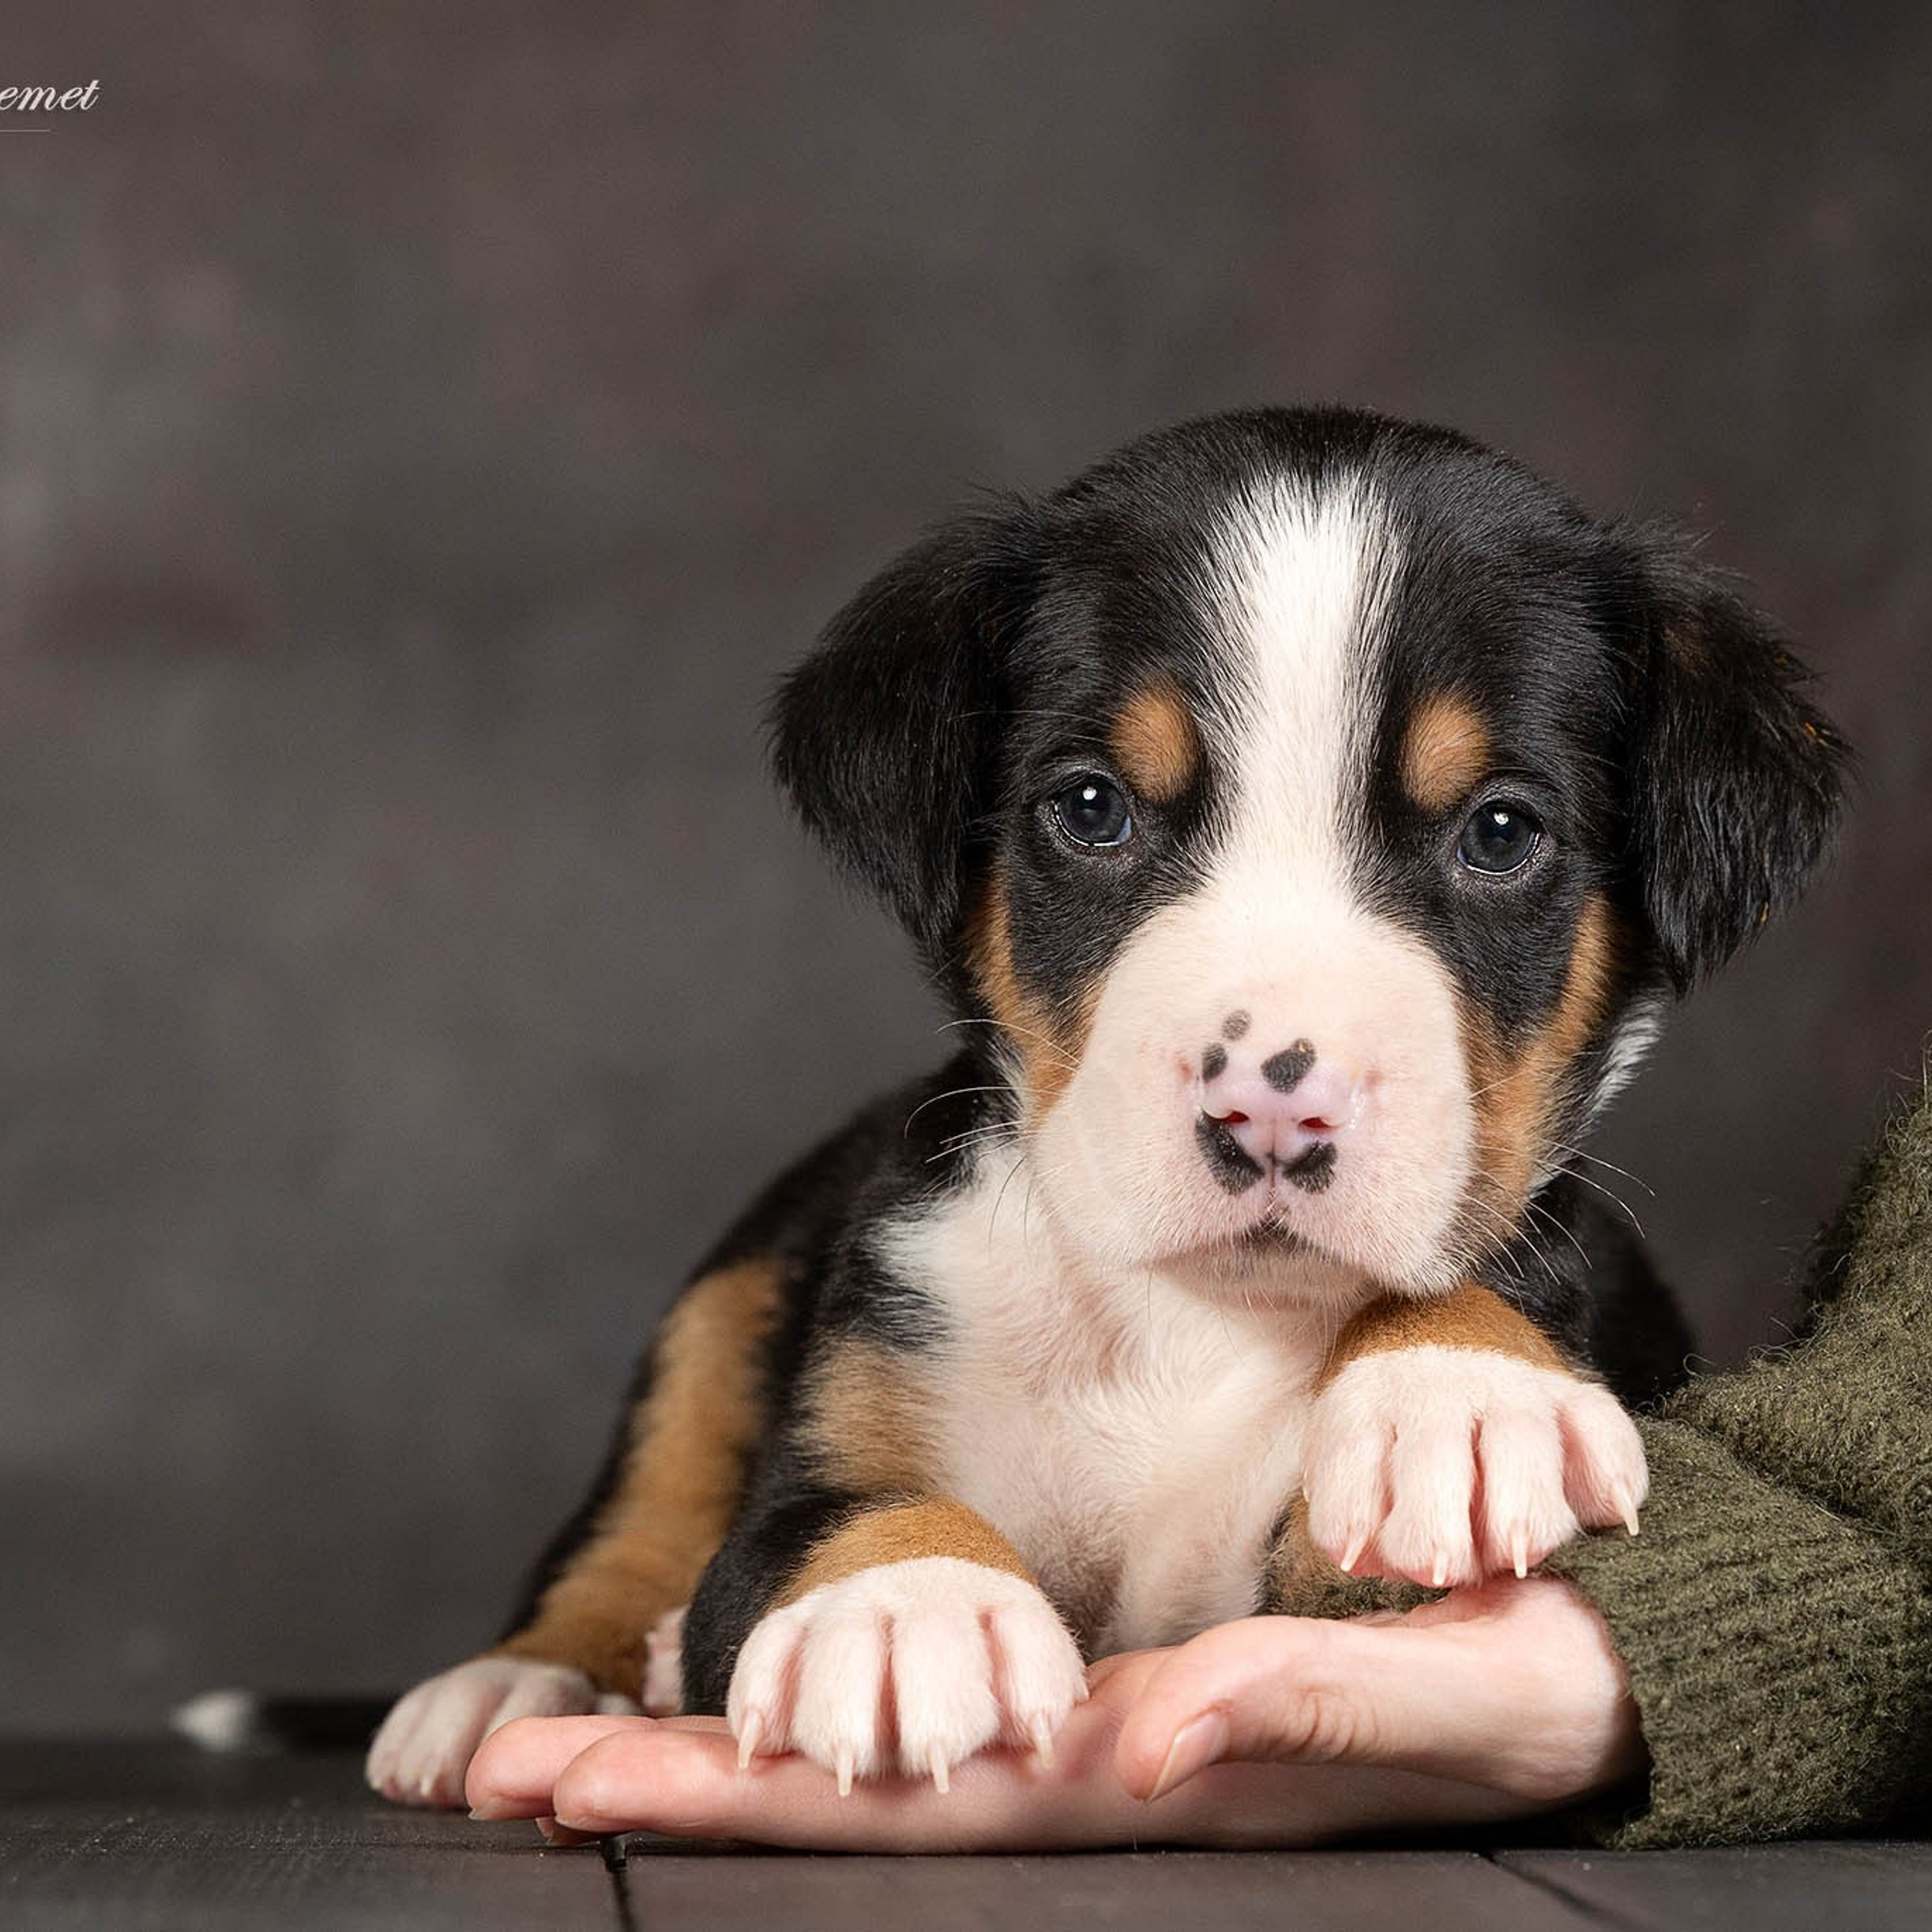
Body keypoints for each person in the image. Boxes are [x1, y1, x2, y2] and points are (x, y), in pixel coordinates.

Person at [466, 1072, 1932, 1850]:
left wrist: (1452, 1337)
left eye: (1490, 833)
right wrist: (863, 1570)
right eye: (1095, 809)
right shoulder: (937, 1244)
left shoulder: (1540, 1281)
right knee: (788, 1276)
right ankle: (586, 1616)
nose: (1270, 1066)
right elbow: (799, 1526)